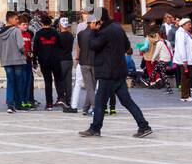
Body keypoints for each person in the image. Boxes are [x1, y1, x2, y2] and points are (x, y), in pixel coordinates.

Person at [79, 9, 152, 139]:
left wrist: (93, 31)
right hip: (119, 71)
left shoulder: (103, 32)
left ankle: (95, 128)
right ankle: (144, 126)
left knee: (100, 102)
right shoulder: (117, 28)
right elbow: (127, 45)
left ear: (99, 20)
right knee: (127, 101)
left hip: (107, 73)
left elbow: (93, 45)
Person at [33, 15, 73, 111]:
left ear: (41, 23)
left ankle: (49, 104)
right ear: (50, 23)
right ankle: (61, 98)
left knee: (48, 82)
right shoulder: (55, 33)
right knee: (58, 79)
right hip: (55, 60)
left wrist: (34, 61)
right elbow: (60, 46)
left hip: (44, 61)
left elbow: (35, 49)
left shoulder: (38, 34)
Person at [0, 11, 28, 113]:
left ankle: (10, 105)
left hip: (6, 60)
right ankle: (18, 104)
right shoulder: (16, 30)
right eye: (16, 19)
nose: (18, 21)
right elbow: (21, 46)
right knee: (19, 82)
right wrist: (24, 53)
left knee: (10, 82)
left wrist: (3, 54)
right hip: (17, 60)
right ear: (10, 19)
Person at [172, 17, 192, 102]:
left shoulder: (185, 32)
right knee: (185, 77)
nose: (190, 26)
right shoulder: (180, 33)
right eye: (188, 24)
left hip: (187, 59)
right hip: (184, 60)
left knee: (187, 77)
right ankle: (185, 96)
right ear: (183, 25)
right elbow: (181, 47)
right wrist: (184, 60)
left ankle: (187, 95)